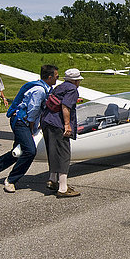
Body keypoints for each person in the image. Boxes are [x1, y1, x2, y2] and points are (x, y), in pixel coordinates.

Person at [0, 65, 59, 193]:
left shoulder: (42, 87)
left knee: (18, 152)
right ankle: (11, 180)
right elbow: (34, 109)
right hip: (22, 122)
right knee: (30, 151)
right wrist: (32, 127)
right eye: (56, 76)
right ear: (49, 77)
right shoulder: (40, 91)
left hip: (23, 121)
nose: (57, 79)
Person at [41, 68, 83, 198]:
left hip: (47, 121)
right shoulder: (72, 89)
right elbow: (65, 107)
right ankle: (63, 188)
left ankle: (52, 180)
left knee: (52, 151)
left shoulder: (59, 87)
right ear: (76, 81)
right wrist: (67, 125)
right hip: (58, 124)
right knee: (64, 154)